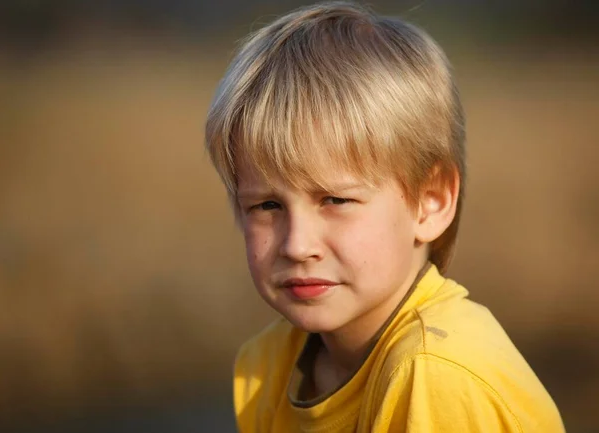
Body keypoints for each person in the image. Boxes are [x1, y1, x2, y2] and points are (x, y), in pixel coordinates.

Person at [204, 2, 564, 432]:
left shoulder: (436, 376)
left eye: (335, 200)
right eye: (267, 206)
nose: (297, 245)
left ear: (429, 201)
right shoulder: (267, 366)